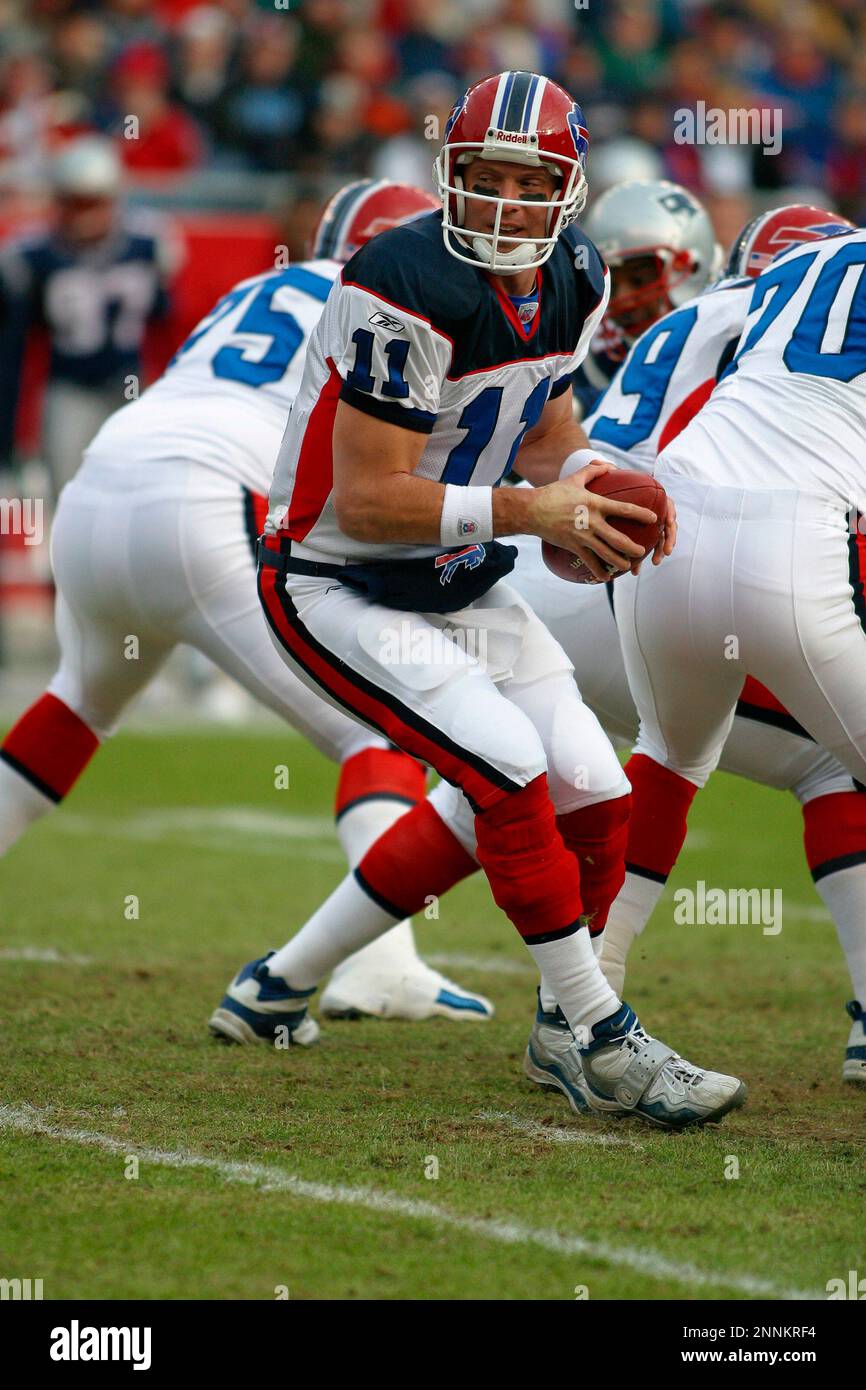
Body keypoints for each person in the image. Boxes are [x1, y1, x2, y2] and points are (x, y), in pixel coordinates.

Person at [212, 70, 746, 1131]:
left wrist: (588, 489)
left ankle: (292, 991)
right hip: (334, 578)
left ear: (566, 188)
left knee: (598, 787)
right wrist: (529, 512)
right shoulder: (401, 277)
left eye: (526, 180)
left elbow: (541, 427)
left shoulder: (575, 275)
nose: (503, 203)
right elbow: (365, 500)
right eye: (483, 177)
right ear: (447, 176)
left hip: (454, 576)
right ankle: (597, 1035)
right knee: (508, 765)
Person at [0, 179, 494, 1027]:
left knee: (76, 702)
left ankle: (379, 965)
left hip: (99, 487)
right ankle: (382, 966)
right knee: (378, 727)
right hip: (202, 503)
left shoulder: (253, 289)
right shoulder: (392, 309)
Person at [612, 218, 866, 1091]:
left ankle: (583, 1014)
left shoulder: (811, 264)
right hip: (791, 542)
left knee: (672, 755)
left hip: (665, 523)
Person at [0, 136, 174, 499]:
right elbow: (15, 344)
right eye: (74, 202)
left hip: (131, 381)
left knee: (140, 487)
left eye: (92, 202)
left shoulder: (149, 242)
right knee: (67, 489)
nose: (83, 214)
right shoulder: (33, 255)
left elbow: (166, 324)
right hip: (68, 387)